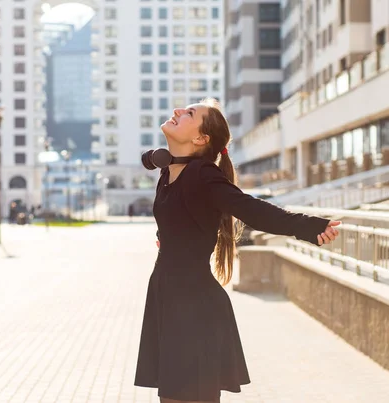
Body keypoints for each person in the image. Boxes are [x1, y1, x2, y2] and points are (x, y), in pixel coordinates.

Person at [133, 98, 340, 403]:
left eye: (190, 113)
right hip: (169, 296)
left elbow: (252, 210)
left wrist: (310, 226)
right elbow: (183, 219)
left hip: (194, 307)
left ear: (201, 139)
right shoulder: (169, 173)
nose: (177, 111)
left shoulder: (204, 175)